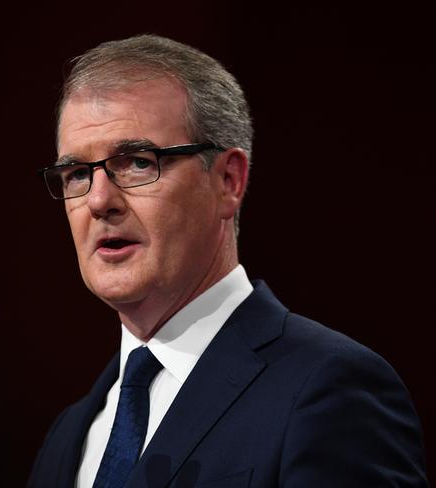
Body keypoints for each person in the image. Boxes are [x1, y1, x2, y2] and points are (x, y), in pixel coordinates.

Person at [28, 35, 428, 488]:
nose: (99, 200)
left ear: (228, 181)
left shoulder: (328, 388)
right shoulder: (69, 435)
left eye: (137, 162)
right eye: (78, 173)